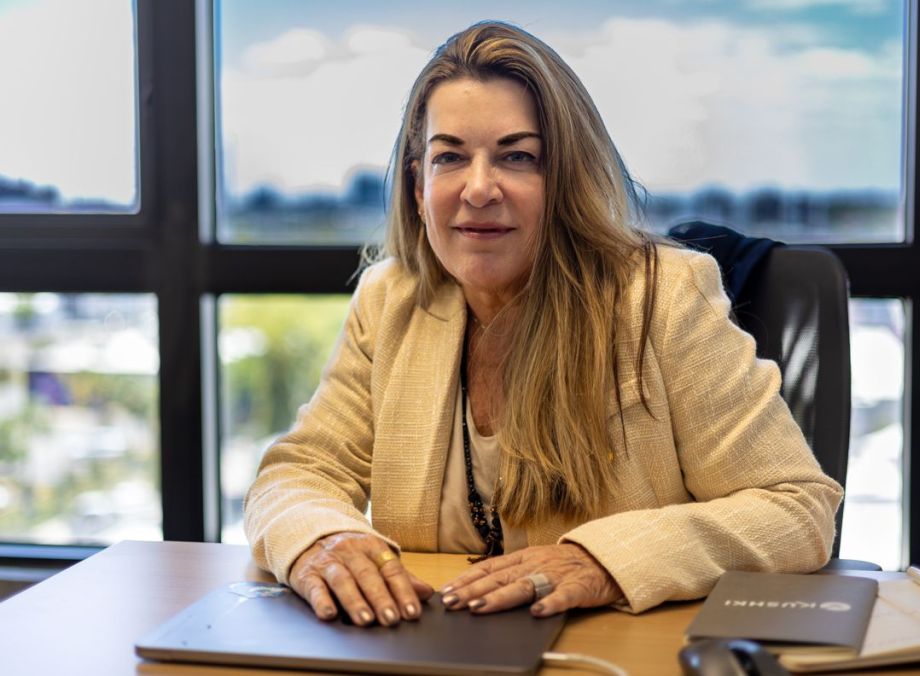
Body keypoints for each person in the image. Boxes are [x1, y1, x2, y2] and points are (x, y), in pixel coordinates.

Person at [244, 20, 843, 628]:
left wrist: (603, 561)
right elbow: (299, 473)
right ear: (418, 186)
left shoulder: (664, 296)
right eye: (450, 157)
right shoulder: (390, 300)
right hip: (428, 647)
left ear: (565, 181)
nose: (479, 188)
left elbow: (796, 509)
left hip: (610, 650)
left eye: (518, 157)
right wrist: (323, 540)